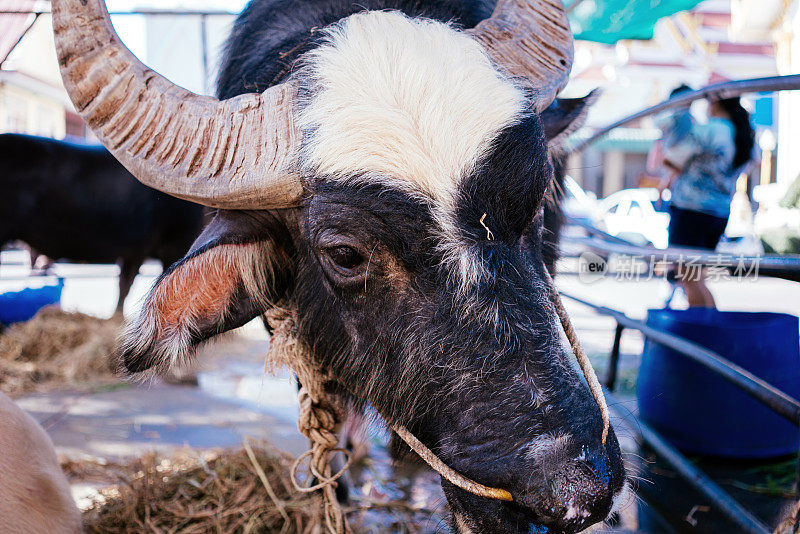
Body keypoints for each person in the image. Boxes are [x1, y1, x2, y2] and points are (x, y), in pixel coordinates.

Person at [658, 93, 755, 308]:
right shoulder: (742, 134)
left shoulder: (708, 130)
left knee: (689, 279)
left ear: (716, 103)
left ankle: (701, 335)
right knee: (697, 278)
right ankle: (709, 328)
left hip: (690, 210)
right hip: (719, 213)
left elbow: (671, 159)